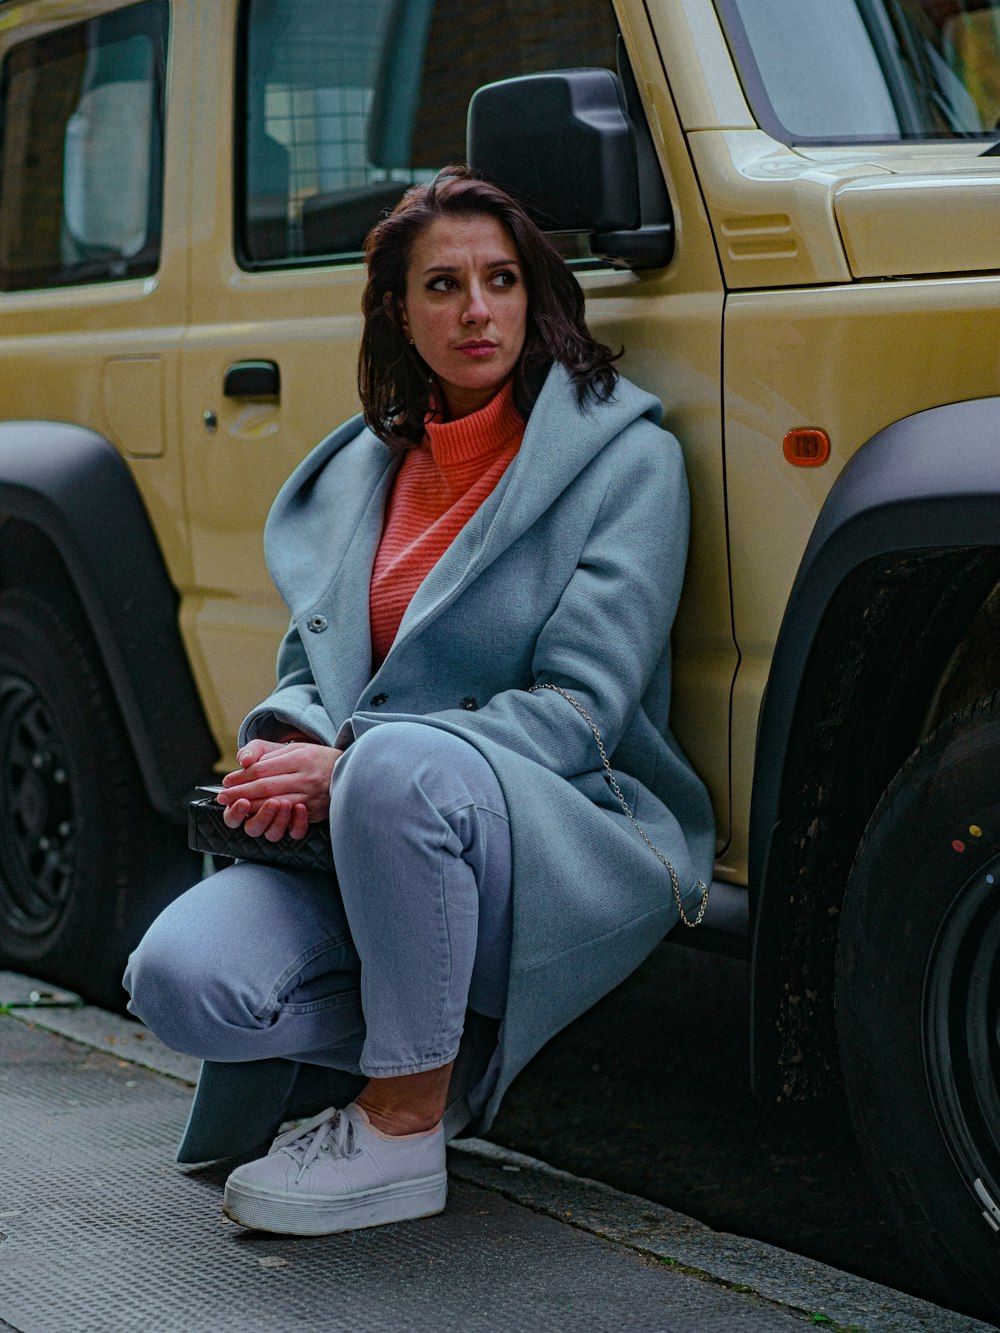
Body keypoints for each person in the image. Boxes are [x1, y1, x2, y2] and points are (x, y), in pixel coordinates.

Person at [124, 165, 715, 1237]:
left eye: (500, 279)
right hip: (372, 837)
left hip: (551, 821)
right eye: (442, 286)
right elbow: (316, 675)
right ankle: (435, 1031)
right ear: (398, 309)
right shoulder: (363, 469)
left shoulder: (628, 463)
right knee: (177, 979)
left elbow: (581, 709)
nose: (476, 310)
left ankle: (401, 1121)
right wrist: (291, 746)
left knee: (396, 769)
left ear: (536, 296)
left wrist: (351, 764)